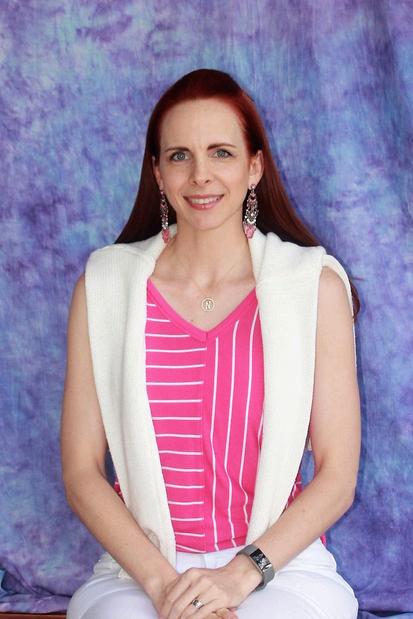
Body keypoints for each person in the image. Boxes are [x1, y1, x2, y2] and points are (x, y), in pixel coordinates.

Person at [61, 68, 361, 619]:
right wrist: (166, 588)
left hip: (280, 568)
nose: (200, 175)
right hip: (139, 573)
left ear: (254, 167)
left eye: (221, 152)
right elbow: (81, 470)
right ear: (157, 172)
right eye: (180, 156)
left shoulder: (313, 287)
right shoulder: (103, 288)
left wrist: (239, 576)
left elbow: (338, 476)